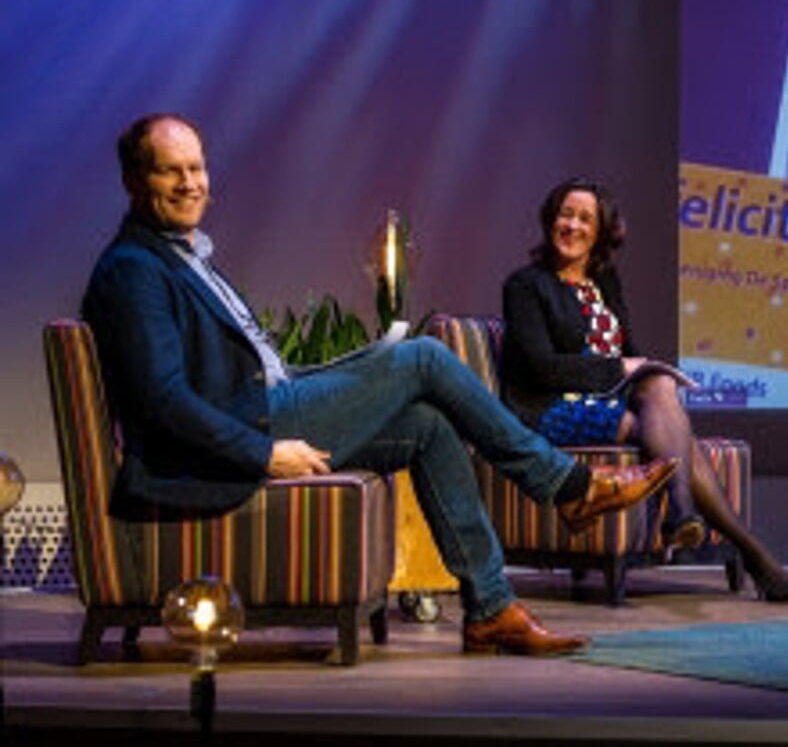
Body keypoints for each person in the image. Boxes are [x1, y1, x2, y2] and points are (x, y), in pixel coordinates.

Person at [82, 114, 679, 655]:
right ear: (137, 182)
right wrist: (262, 454)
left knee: (428, 423)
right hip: (246, 429)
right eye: (170, 172)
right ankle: (567, 487)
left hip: (268, 402)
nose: (190, 183)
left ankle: (491, 608)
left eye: (197, 168)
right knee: (421, 356)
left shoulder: (183, 256)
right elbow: (163, 401)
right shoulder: (135, 269)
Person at [500, 179, 788, 602]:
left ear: (602, 231)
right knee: (656, 429)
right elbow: (541, 368)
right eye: (565, 215)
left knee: (659, 387)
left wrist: (642, 370)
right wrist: (620, 368)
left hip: (605, 395)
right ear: (551, 221)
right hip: (548, 406)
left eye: (585, 218)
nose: (572, 225)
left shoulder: (604, 282)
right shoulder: (526, 285)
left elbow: (631, 354)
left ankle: (685, 519)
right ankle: (744, 547)